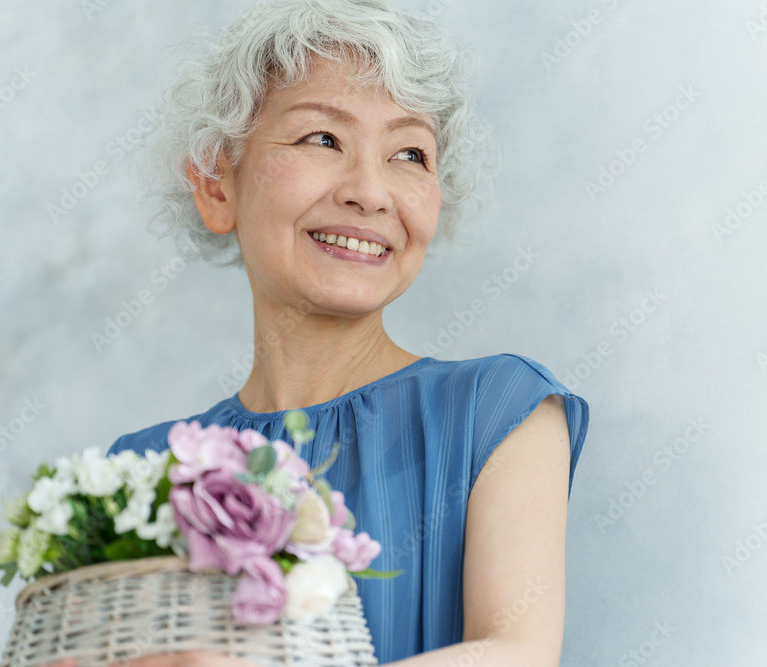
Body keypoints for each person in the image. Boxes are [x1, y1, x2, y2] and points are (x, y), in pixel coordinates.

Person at [48, 0, 588, 665]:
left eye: (409, 153)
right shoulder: (137, 468)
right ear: (216, 184)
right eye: (323, 139)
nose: (371, 191)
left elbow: (517, 652)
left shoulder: (500, 409)